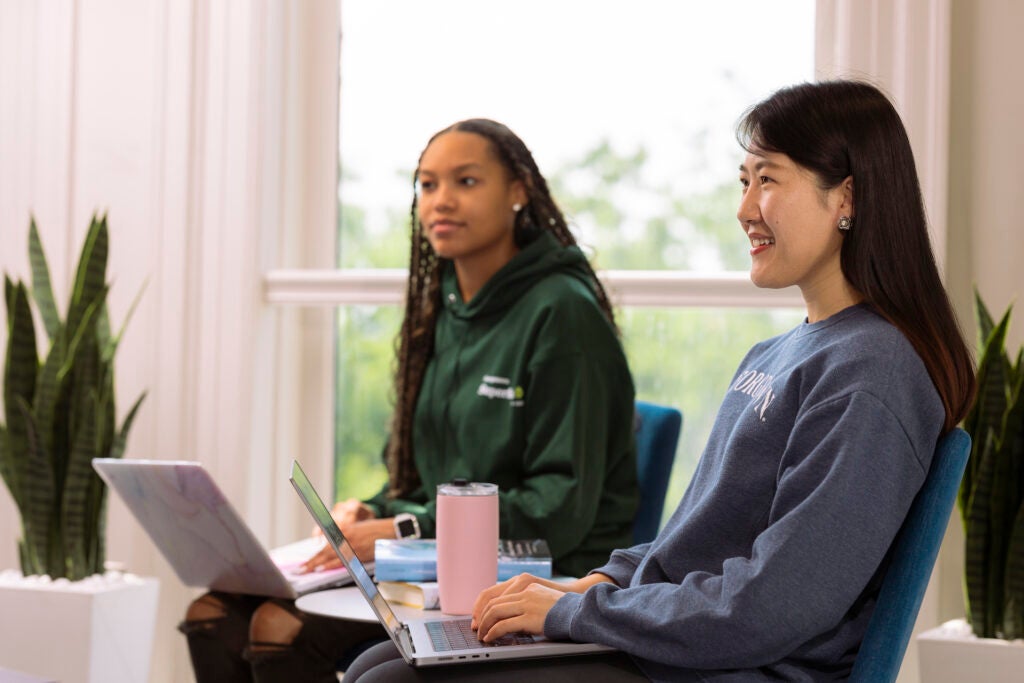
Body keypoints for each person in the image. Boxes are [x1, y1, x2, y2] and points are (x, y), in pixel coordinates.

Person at [342, 79, 978, 682]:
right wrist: (598, 585)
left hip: (732, 669)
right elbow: (692, 544)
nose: (744, 208)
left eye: (768, 180)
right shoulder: (775, 354)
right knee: (382, 662)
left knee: (392, 677)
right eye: (743, 181)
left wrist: (572, 614)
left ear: (846, 197)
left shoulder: (873, 372)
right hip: (682, 654)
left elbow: (774, 604)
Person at [177, 118, 639, 682]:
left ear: (519, 191)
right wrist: (374, 511)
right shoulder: (443, 311)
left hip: (540, 577)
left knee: (280, 627)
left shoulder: (563, 314)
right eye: (426, 184)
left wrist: (404, 529)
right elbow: (427, 483)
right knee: (212, 613)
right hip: (440, 568)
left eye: (466, 182)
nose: (441, 201)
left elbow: (559, 511)